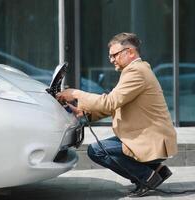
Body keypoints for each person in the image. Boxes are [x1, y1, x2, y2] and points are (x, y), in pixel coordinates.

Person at [56, 32, 178, 197]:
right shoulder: (137, 69)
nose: (111, 59)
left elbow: (110, 102)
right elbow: (113, 106)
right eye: (110, 56)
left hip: (151, 140)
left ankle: (146, 177)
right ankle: (155, 170)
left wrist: (76, 94)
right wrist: (84, 114)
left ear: (130, 52)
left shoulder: (136, 72)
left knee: (96, 150)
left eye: (114, 55)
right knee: (103, 147)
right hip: (148, 136)